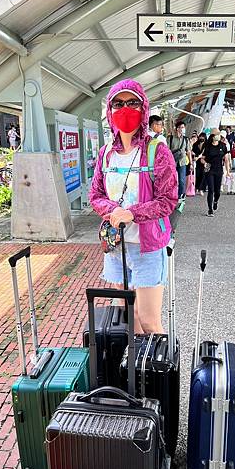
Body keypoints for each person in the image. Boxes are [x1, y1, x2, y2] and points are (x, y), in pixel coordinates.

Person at [89, 79, 177, 333]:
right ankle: (137, 372)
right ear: (109, 111)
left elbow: (168, 200)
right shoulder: (106, 153)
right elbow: (95, 194)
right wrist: (113, 211)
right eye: (118, 103)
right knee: (130, 319)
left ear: (144, 108)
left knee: (149, 320)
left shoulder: (157, 151)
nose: (125, 109)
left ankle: (162, 371)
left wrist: (131, 213)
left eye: (132, 103)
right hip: (116, 248)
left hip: (148, 249)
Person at [201, 128, 231, 217]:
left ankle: (215, 201)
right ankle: (210, 210)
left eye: (219, 134)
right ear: (212, 136)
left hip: (219, 170)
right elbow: (202, 158)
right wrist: (205, 163)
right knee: (211, 190)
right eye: (216, 134)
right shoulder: (207, 146)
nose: (218, 136)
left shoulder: (223, 146)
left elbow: (226, 160)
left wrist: (228, 171)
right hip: (209, 169)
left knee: (217, 191)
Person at [168, 120, 191, 198]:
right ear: (177, 128)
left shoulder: (186, 139)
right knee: (171, 180)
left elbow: (188, 151)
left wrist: (191, 163)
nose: (182, 129)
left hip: (182, 162)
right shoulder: (170, 138)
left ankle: (180, 195)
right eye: (181, 127)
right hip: (172, 162)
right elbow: (167, 151)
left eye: (183, 127)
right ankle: (172, 195)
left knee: (182, 180)